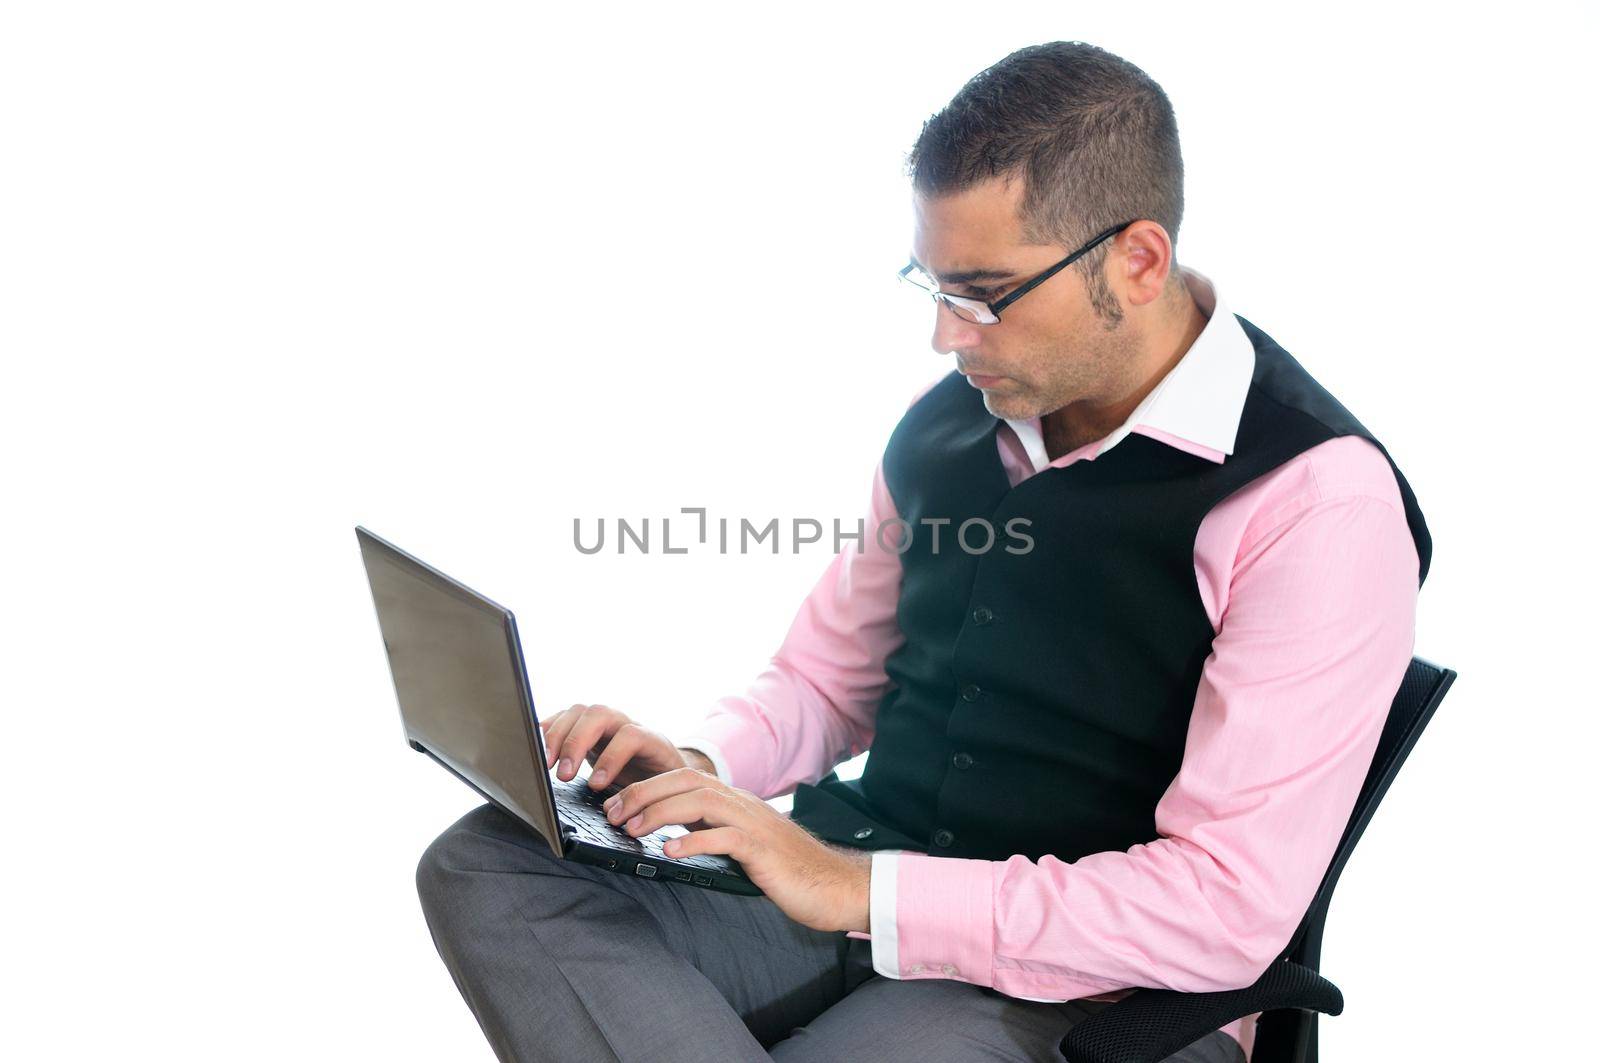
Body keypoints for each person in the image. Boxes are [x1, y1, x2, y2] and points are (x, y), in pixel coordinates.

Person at [415, 40, 1431, 1063]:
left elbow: (1221, 908)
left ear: (1137, 261)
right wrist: (698, 767)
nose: (946, 338)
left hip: (1105, 989)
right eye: (932, 285)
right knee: (491, 865)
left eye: (985, 293)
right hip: (858, 888)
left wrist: (855, 888)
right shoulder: (947, 422)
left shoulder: (1316, 502)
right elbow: (825, 682)